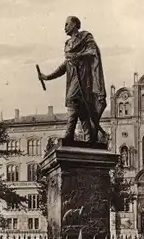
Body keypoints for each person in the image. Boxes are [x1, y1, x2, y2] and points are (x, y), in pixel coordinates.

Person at [38, 16, 107, 144]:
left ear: (75, 24)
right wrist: (47, 77)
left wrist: (78, 55)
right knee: (83, 112)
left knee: (73, 101)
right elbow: (64, 66)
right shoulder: (68, 45)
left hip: (84, 81)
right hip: (73, 81)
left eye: (67, 24)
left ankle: (69, 134)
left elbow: (93, 52)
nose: (64, 28)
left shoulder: (86, 37)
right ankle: (90, 138)